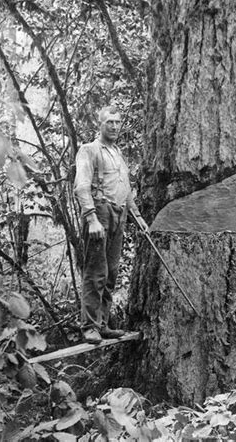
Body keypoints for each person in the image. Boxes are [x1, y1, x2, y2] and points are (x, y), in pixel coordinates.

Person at [74, 105, 148, 343]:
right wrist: (91, 218)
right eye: (110, 122)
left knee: (111, 273)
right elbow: (81, 186)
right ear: (100, 124)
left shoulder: (118, 153)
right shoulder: (89, 150)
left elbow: (125, 191)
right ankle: (90, 327)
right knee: (96, 271)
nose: (115, 126)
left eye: (118, 122)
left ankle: (103, 324)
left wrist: (137, 217)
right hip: (100, 213)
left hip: (120, 214)